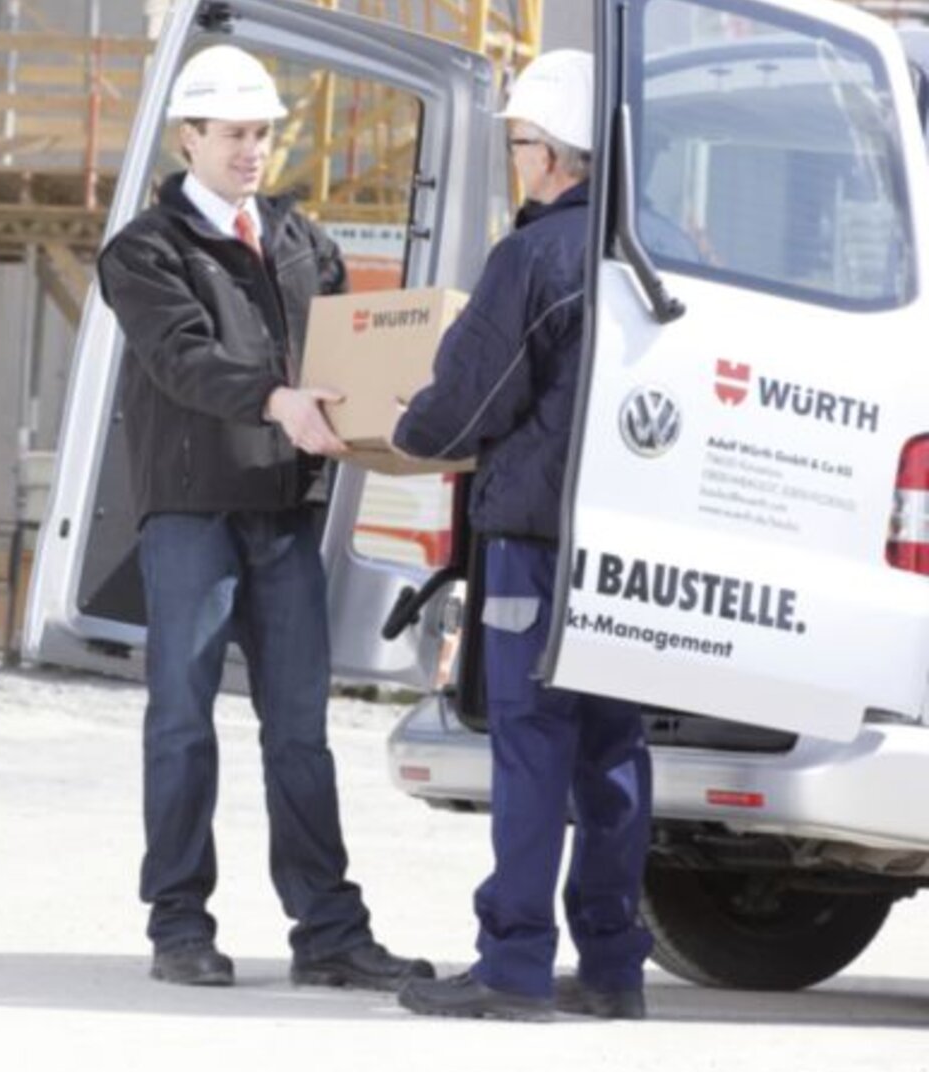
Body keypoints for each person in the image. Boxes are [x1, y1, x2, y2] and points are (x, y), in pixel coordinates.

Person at [94, 43, 433, 991]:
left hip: (284, 509)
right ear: (189, 137)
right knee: (183, 723)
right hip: (194, 510)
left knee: (299, 730)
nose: (253, 151)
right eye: (236, 135)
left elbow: (345, 351)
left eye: (263, 135)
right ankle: (178, 926)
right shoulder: (143, 252)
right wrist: (278, 400)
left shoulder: (300, 240)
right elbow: (182, 360)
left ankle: (328, 932)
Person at [391, 50, 652, 1022]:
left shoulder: (535, 256)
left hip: (535, 545)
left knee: (533, 747)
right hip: (629, 553)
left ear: (549, 155)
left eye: (517, 144)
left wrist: (406, 423)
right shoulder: (659, 253)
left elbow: (468, 402)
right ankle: (617, 966)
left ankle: (516, 963)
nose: (515, 162)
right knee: (615, 748)